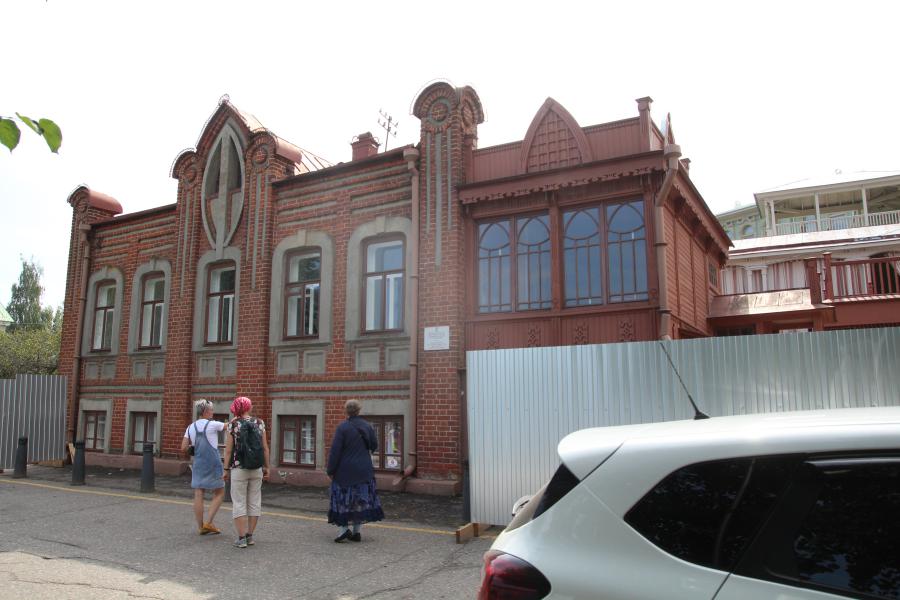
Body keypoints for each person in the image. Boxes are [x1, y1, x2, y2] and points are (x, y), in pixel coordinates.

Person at [326, 399, 384, 542]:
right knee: (360, 500)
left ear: (346, 411)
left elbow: (335, 451)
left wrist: (330, 470)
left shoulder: (342, 427)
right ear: (359, 410)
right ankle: (357, 532)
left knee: (343, 500)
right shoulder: (367, 426)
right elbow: (374, 445)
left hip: (345, 471)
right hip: (364, 470)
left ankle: (343, 530)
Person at [223, 396, 270, 549]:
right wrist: (267, 467)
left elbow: (228, 450)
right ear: (249, 407)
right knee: (254, 501)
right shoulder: (260, 423)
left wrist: (225, 469)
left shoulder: (233, 425)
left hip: (239, 468)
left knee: (239, 502)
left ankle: (241, 538)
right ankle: (250, 536)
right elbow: (265, 448)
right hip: (256, 468)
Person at [180, 399, 226, 535]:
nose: (213, 412)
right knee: (219, 491)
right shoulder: (212, 424)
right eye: (211, 410)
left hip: (199, 462)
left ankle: (200, 527)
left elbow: (183, 447)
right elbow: (229, 426)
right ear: (206, 411)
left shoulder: (190, 427)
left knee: (199, 492)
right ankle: (209, 522)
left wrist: (192, 449)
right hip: (213, 462)